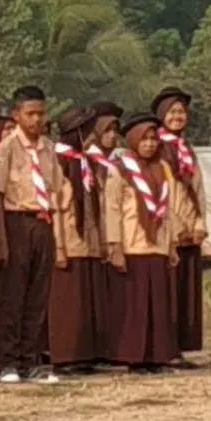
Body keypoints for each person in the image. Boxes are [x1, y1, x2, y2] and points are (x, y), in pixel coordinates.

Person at [0, 86, 61, 385]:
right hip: (16, 221)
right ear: (16, 115)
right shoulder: (6, 149)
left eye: (41, 114)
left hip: (42, 222)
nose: (36, 120)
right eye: (30, 114)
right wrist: (1, 239)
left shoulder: (48, 149)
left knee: (37, 296)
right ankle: (9, 361)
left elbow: (55, 188)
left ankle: (31, 360)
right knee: (14, 296)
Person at [104, 113, 178, 374]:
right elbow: (112, 209)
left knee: (157, 305)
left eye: (153, 139)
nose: (149, 145)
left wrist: (171, 244)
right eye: (144, 140)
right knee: (135, 306)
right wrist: (114, 246)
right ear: (134, 141)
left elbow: (170, 210)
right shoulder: (120, 169)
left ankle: (157, 357)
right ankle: (135, 358)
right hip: (132, 244)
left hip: (157, 244)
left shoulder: (163, 169)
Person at [152, 87, 206, 368]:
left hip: (189, 229)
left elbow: (198, 188)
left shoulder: (187, 149)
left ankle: (180, 347)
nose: (177, 117)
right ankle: (166, 347)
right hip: (167, 229)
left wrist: (200, 222)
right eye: (172, 112)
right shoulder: (156, 147)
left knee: (185, 292)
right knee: (168, 291)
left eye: (181, 112)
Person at [49, 106, 105, 375]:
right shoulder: (58, 163)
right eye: (88, 131)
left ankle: (85, 354)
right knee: (68, 304)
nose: (92, 136)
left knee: (86, 303)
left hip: (89, 243)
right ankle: (66, 356)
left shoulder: (87, 164)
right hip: (69, 242)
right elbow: (57, 207)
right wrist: (59, 246)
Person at [82, 101, 123, 364]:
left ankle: (114, 347)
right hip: (95, 230)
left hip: (117, 230)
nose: (112, 136)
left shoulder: (120, 160)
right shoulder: (88, 159)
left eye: (115, 131)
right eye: (107, 130)